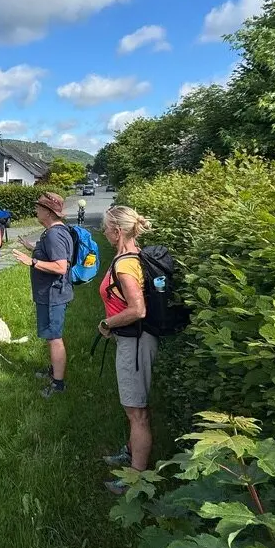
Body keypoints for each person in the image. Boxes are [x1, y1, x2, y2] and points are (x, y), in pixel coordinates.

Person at [97, 206, 155, 495]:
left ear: (117, 232)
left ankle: (135, 478)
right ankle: (131, 453)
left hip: (135, 341)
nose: (104, 233)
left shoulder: (124, 265)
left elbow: (138, 309)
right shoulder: (132, 255)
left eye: (107, 229)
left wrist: (107, 322)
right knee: (133, 405)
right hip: (132, 339)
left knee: (137, 412)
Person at [12, 192, 74, 399]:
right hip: (49, 294)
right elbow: (53, 253)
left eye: (39, 207)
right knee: (50, 336)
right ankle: (53, 370)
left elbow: (60, 266)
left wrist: (32, 261)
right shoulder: (53, 232)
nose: (35, 210)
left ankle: (58, 384)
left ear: (48, 212)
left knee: (55, 338)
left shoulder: (55, 234)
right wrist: (33, 248)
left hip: (53, 295)